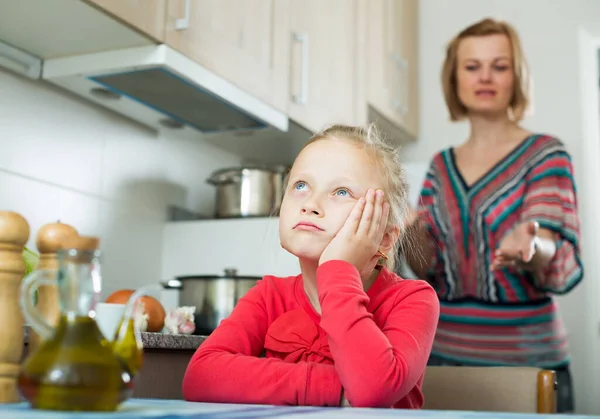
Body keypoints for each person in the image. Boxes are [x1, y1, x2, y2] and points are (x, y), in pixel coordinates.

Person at [182, 124, 440, 408]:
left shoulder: (412, 299)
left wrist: (337, 270)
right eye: (301, 186)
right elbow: (201, 376)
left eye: (341, 191)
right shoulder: (268, 296)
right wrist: (335, 390)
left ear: (385, 236)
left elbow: (374, 391)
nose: (311, 204)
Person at [401, 18, 583, 413]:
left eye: (499, 66)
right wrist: (410, 234)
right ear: (455, 78)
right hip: (440, 360)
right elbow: (425, 267)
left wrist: (533, 245)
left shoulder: (546, 154)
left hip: (528, 364)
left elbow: (555, 245)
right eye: (472, 66)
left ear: (516, 77)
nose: (485, 76)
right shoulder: (439, 166)